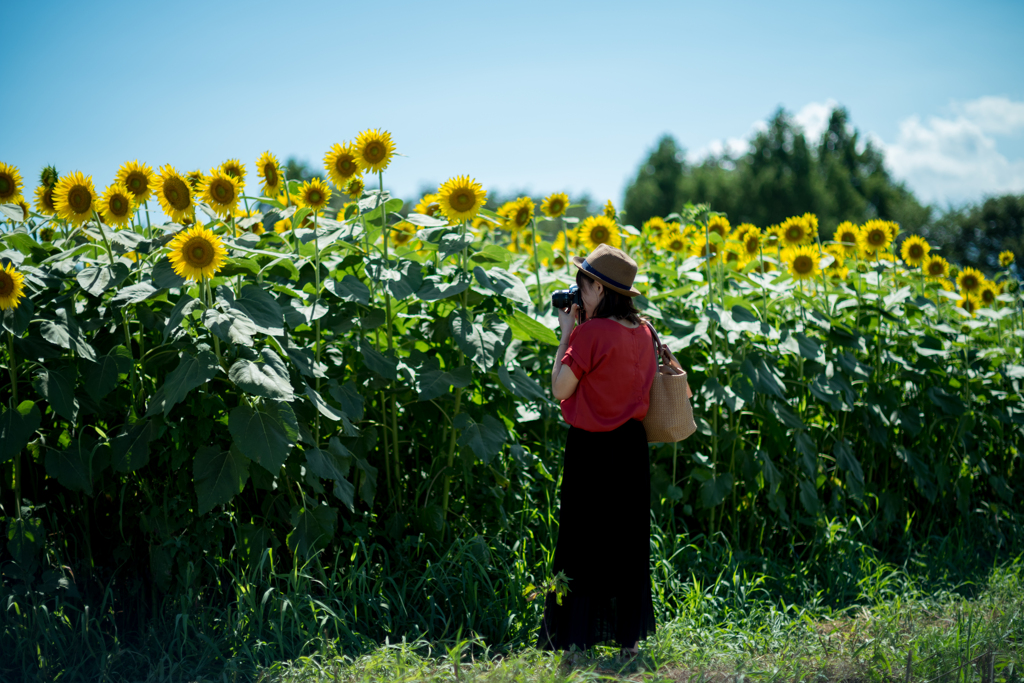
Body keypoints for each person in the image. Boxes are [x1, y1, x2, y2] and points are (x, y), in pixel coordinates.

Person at [536, 243, 676, 660]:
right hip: (631, 449)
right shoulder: (644, 330)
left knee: (582, 540)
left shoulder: (591, 333)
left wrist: (567, 333)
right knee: (626, 541)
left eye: (582, 284)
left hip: (592, 449)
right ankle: (627, 643)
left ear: (598, 287)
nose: (577, 293)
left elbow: (561, 387)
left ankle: (574, 641)